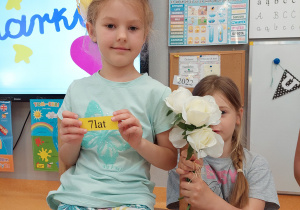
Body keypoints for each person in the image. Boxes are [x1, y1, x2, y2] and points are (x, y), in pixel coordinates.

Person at [47, 0, 177, 209]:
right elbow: (66, 159)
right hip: (77, 197)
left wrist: (139, 142)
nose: (122, 36)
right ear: (91, 30)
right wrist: (72, 142)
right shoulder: (76, 90)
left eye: (133, 28)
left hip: (131, 200)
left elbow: (170, 160)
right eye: (110, 26)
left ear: (144, 35)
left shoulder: (158, 93)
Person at [176, 75, 280, 210]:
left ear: (238, 116)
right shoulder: (185, 162)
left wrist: (210, 201)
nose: (213, 121)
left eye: (222, 112)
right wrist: (185, 177)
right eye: (205, 114)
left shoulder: (256, 165)